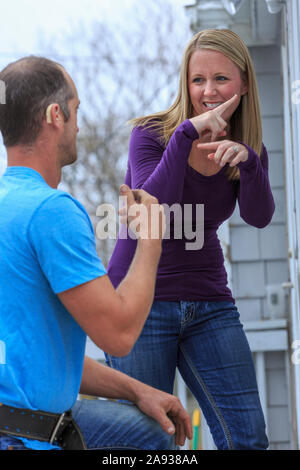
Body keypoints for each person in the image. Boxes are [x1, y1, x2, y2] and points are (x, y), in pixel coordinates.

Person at [0, 56, 192, 451]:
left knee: (151, 433)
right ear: (56, 115)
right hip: (28, 437)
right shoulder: (51, 212)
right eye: (76, 111)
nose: (78, 124)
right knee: (163, 442)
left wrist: (137, 390)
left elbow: (45, 360)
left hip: (18, 414)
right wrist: (151, 240)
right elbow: (119, 334)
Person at [105, 29, 275, 450]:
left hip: (209, 302)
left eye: (221, 78)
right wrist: (185, 136)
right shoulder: (152, 134)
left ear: (244, 84)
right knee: (146, 445)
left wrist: (251, 165)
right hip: (138, 306)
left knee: (248, 439)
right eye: (198, 79)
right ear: (186, 82)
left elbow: (259, 217)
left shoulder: (247, 148)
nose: (209, 91)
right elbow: (151, 206)